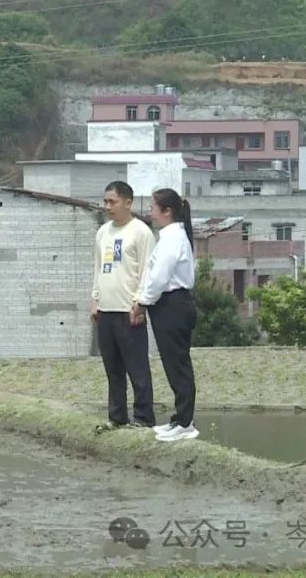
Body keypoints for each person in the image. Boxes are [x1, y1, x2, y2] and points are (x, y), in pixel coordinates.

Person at [132, 188, 199, 442]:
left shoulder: (173, 238)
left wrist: (142, 302)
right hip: (168, 306)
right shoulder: (170, 236)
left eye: (153, 208)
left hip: (173, 305)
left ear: (167, 211)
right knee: (173, 364)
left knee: (178, 365)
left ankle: (185, 422)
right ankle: (180, 419)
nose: (150, 213)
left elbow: (159, 277)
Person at [91, 181, 157, 429]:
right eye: (105, 201)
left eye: (113, 202)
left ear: (128, 203)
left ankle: (143, 418)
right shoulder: (103, 232)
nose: (108, 206)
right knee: (112, 368)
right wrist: (95, 299)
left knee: (137, 369)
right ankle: (117, 417)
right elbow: (98, 268)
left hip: (129, 310)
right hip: (106, 310)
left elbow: (147, 272)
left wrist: (140, 304)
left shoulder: (141, 232)